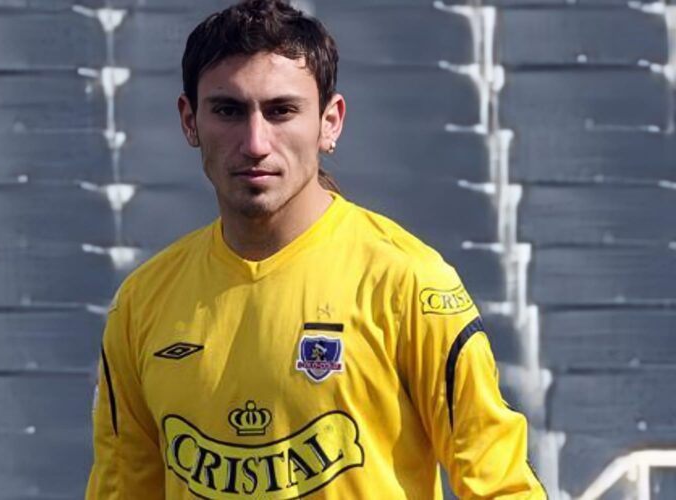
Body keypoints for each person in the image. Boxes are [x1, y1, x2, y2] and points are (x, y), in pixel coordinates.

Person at [86, 0, 547, 498]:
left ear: (330, 122)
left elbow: (502, 487)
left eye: (281, 111)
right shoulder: (143, 304)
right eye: (228, 111)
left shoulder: (409, 284)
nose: (256, 142)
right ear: (189, 120)